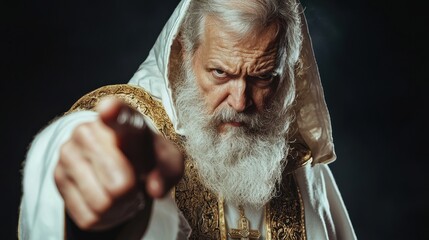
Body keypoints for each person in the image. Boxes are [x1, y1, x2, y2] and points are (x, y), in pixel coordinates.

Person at [18, 0, 357, 239]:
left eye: (263, 77)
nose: (240, 102)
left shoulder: (302, 170)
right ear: (182, 54)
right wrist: (71, 171)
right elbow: (70, 150)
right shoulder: (133, 131)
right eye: (220, 72)